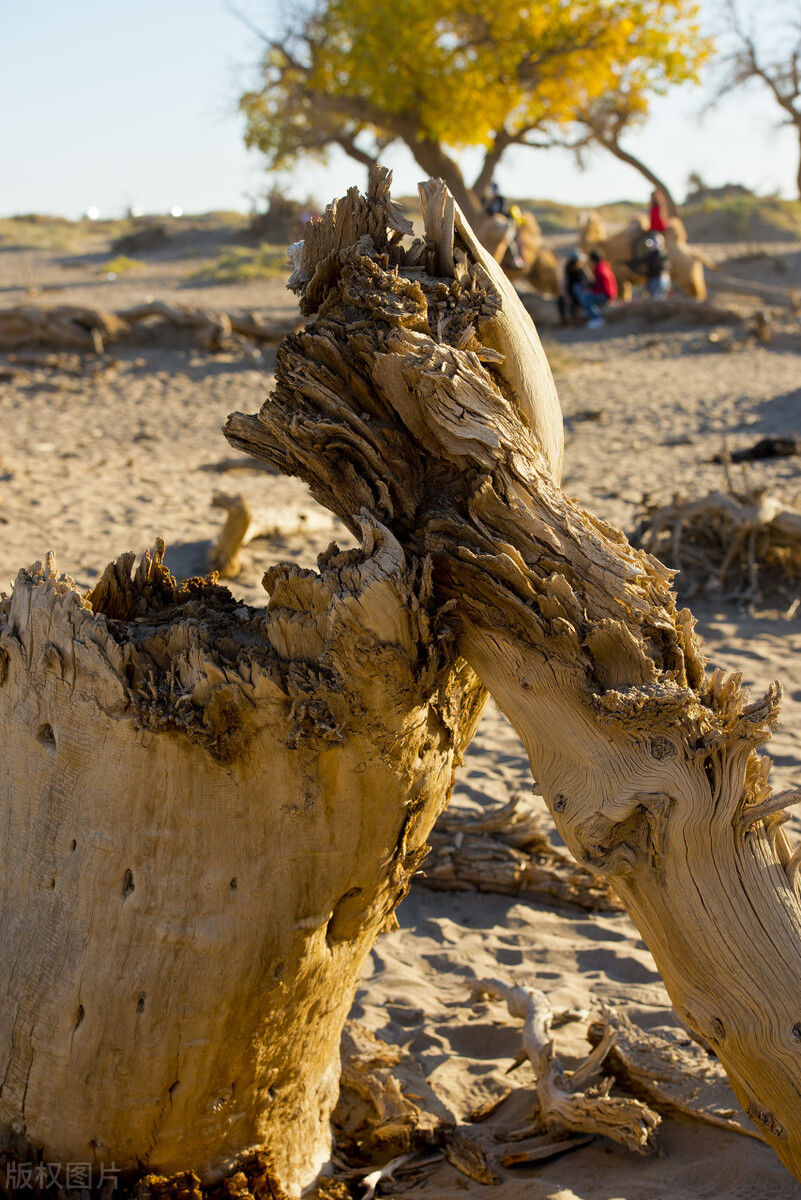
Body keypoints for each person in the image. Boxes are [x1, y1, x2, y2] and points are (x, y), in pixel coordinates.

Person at [558, 250, 606, 328]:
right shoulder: (568, 268)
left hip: (580, 294)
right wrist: (566, 295)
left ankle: (574, 320)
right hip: (571, 293)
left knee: (577, 296)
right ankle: (563, 320)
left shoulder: (582, 269)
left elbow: (589, 281)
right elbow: (565, 283)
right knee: (560, 300)